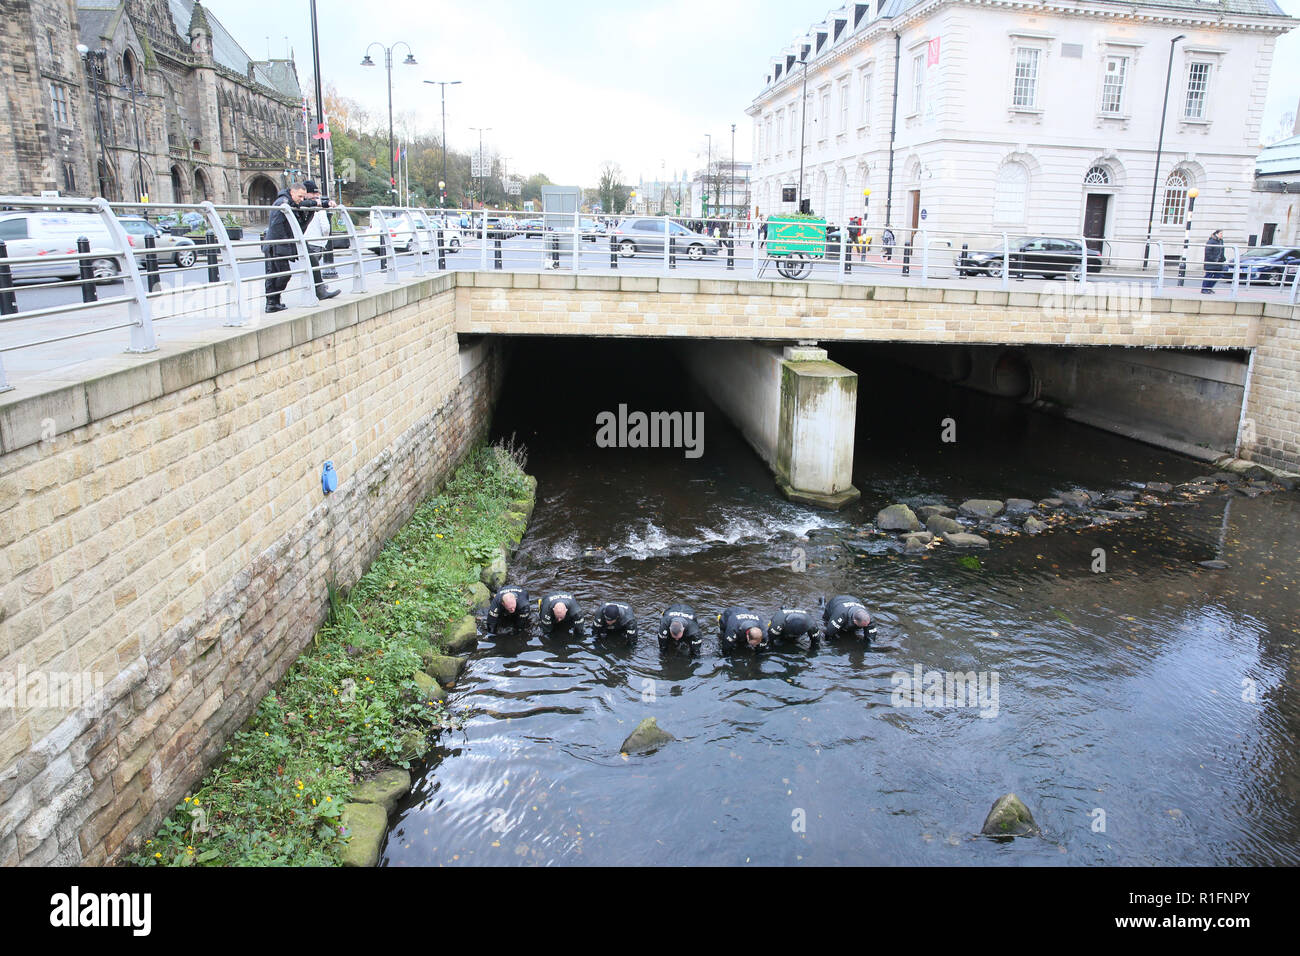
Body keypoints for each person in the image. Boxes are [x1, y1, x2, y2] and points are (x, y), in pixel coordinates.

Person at [302, 181, 339, 281]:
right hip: (316, 241)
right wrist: (325, 239)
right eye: (314, 193)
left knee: (308, 267)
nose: (316, 195)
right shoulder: (318, 206)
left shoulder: (302, 205)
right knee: (314, 267)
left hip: (305, 240)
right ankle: (315, 288)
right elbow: (326, 227)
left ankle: (313, 287)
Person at [1202, 229, 1226, 294]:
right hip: (1211, 262)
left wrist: (1223, 258)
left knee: (1218, 275)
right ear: (1217, 234)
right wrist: (1215, 259)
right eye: (1221, 233)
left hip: (1218, 262)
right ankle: (1204, 289)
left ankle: (1209, 288)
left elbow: (1221, 251)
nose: (1222, 235)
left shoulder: (1221, 241)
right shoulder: (1211, 241)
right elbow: (1207, 253)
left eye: (1222, 233)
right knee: (1209, 275)